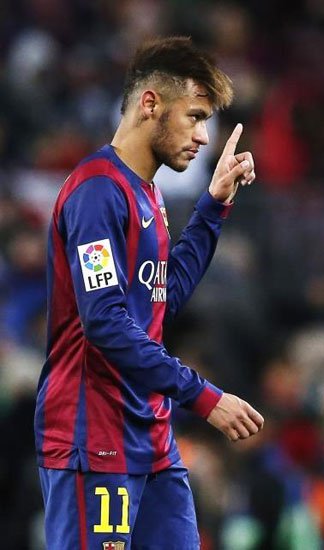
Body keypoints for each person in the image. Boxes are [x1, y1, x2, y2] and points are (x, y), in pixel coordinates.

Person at [33, 36, 264, 549]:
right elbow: (105, 322)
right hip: (94, 438)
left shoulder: (146, 193)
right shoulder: (97, 193)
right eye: (195, 117)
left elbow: (162, 299)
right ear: (151, 104)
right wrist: (204, 397)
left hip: (151, 439)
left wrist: (213, 207)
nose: (203, 137)